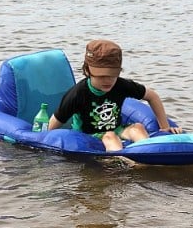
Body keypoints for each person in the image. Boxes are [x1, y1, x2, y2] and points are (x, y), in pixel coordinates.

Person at [48, 39, 182, 151]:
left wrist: (165, 128)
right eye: (101, 76)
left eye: (112, 75)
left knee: (138, 128)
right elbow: (57, 119)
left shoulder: (121, 85)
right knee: (110, 136)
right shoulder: (78, 93)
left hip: (117, 129)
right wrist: (44, 139)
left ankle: (147, 155)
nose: (107, 81)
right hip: (87, 135)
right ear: (87, 71)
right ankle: (126, 161)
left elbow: (152, 96)